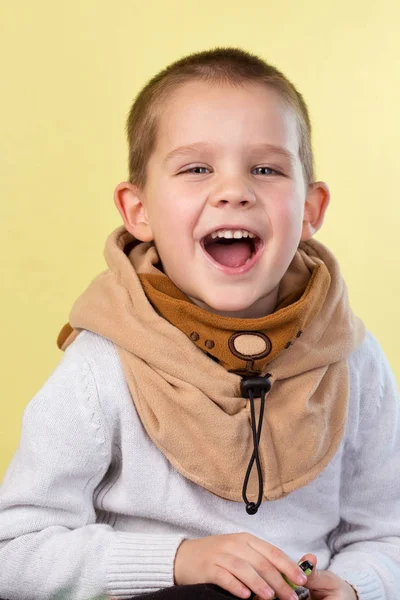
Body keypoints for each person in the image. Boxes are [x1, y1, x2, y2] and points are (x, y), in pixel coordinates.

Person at [0, 47, 399, 600]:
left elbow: (388, 535)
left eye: (266, 168)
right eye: (196, 169)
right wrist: (180, 561)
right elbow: (14, 553)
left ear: (310, 208)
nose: (234, 190)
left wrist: (356, 586)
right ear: (138, 211)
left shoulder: (354, 360)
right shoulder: (102, 363)